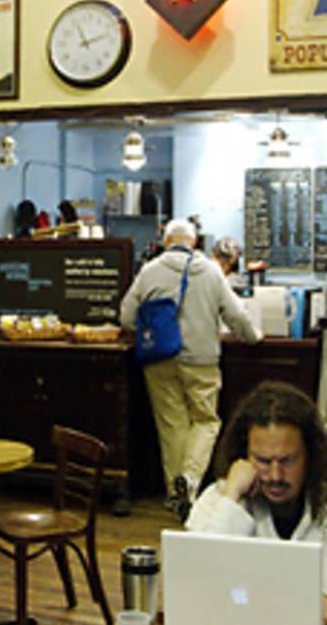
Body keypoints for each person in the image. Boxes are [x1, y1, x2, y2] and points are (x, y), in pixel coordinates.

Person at [185, 381, 327, 625]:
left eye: (287, 460)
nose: (275, 475)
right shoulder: (219, 499)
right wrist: (231, 495)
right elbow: (195, 580)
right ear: (243, 456)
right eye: (262, 461)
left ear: (310, 455)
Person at [119, 219, 260, 519]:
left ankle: (176, 492)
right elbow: (236, 315)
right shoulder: (210, 271)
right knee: (206, 421)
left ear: (166, 241)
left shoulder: (150, 270)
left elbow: (127, 317)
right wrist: (253, 337)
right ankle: (191, 479)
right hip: (201, 359)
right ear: (194, 243)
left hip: (158, 358)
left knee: (172, 425)